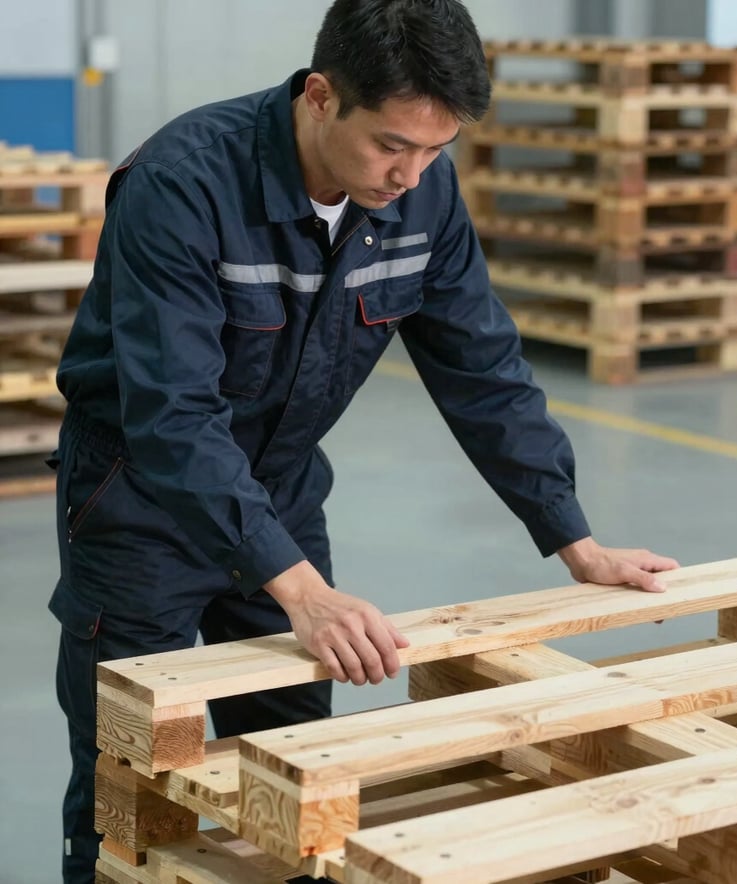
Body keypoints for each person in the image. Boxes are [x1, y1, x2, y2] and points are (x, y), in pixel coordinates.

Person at [49, 0, 678, 880]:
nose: (412, 174)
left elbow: (483, 368)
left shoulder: (424, 196)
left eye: (436, 149)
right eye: (392, 144)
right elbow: (174, 417)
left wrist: (574, 538)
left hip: (282, 490)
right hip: (138, 499)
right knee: (131, 785)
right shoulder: (184, 183)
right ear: (319, 96)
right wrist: (304, 593)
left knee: (292, 769)